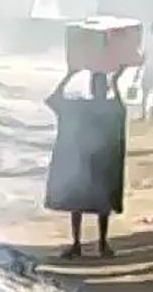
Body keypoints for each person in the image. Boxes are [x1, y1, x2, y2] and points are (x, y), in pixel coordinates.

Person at [46, 69, 128, 258]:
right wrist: (115, 83)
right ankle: (101, 244)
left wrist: (69, 75)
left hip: (86, 161)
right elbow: (53, 101)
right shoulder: (110, 107)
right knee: (98, 204)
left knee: (80, 203)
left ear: (91, 88)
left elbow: (53, 100)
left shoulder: (81, 106)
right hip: (102, 162)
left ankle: (79, 244)